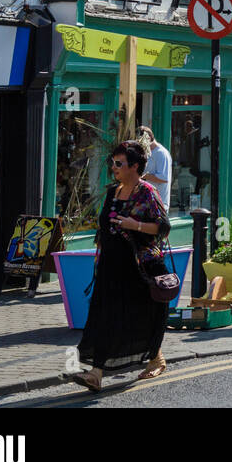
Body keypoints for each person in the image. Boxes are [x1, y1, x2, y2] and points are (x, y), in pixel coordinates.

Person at [72, 140, 171, 390]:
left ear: (134, 166)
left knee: (140, 315)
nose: (114, 168)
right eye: (112, 163)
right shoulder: (112, 192)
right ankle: (95, 374)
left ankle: (155, 357)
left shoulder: (147, 192)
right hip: (111, 267)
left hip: (139, 267)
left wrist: (134, 225)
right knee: (105, 317)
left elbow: (162, 226)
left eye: (119, 163)